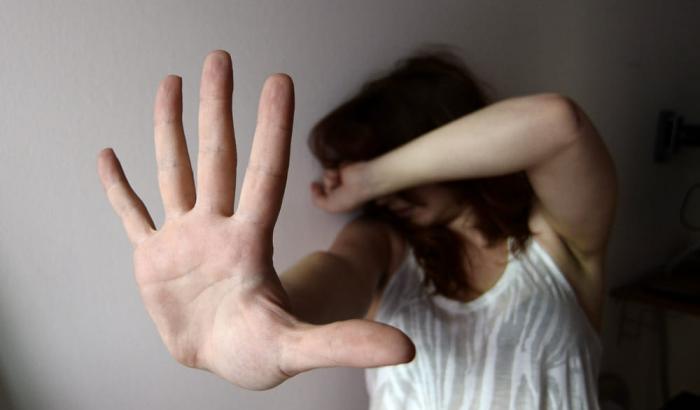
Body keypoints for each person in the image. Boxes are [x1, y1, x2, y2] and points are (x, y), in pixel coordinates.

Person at [97, 48, 617, 409]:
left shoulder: (556, 243)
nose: (382, 198)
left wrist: (373, 176)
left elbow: (558, 124)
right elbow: (336, 272)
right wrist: (267, 313)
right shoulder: (386, 246)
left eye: (385, 164)